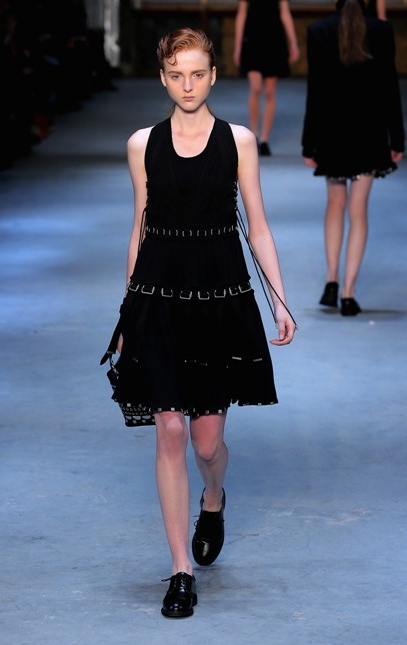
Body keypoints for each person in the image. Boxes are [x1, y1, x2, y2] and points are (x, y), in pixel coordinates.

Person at [100, 28, 296, 618]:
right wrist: (127, 311)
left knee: (207, 442)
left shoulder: (239, 141)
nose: (187, 85)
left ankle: (213, 498)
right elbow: (139, 228)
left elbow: (258, 226)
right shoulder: (142, 144)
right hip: (158, 296)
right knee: (170, 430)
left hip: (217, 296)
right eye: (176, 74)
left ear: (213, 76)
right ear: (163, 78)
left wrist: (279, 301)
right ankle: (181, 570)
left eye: (197, 74)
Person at [301, 0, 404, 316]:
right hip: (369, 132)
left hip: (332, 132)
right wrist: (397, 138)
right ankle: (348, 293)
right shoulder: (381, 30)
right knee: (358, 210)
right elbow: (390, 86)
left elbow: (315, 90)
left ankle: (331, 280)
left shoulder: (319, 31)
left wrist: (308, 143)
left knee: (335, 203)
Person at [233, 0, 299, 156]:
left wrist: (293, 43)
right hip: (252, 38)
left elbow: (284, 13)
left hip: (274, 39)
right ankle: (254, 135)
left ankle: (264, 140)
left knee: (270, 92)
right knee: (256, 88)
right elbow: (242, 14)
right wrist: (238, 46)